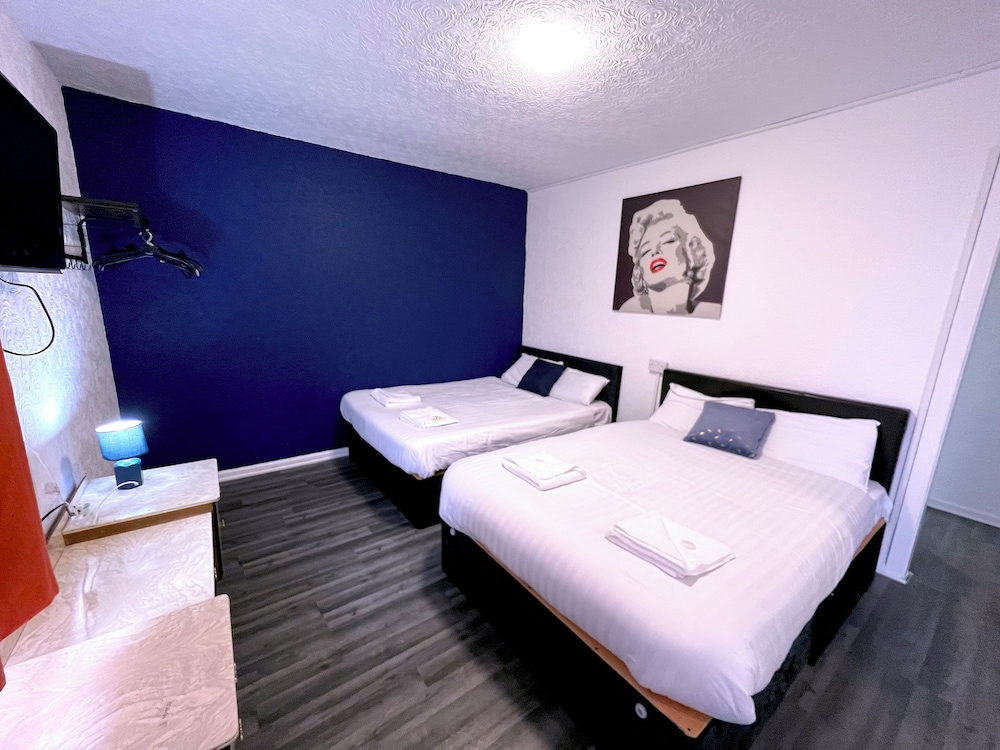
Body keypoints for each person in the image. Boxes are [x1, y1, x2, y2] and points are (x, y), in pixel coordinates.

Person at [618, 199, 721, 318]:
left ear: (693, 253)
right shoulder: (629, 310)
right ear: (639, 271)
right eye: (645, 251)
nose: (655, 251)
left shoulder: (713, 312)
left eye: (668, 241)